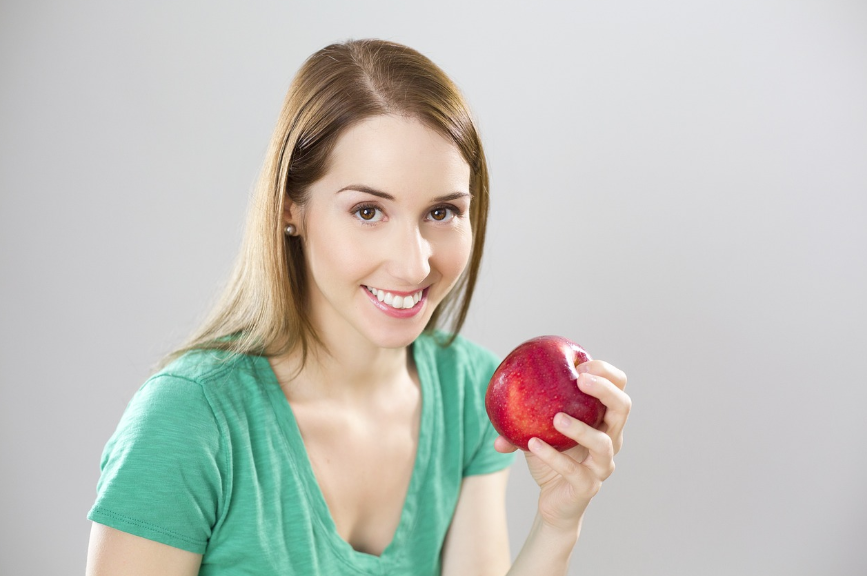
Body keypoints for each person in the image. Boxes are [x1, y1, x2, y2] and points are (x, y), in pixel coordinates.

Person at [85, 39, 631, 576]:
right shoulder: (188, 421)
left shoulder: (470, 391)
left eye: (442, 212)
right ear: (289, 210)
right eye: (369, 212)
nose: (415, 264)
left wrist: (558, 523)